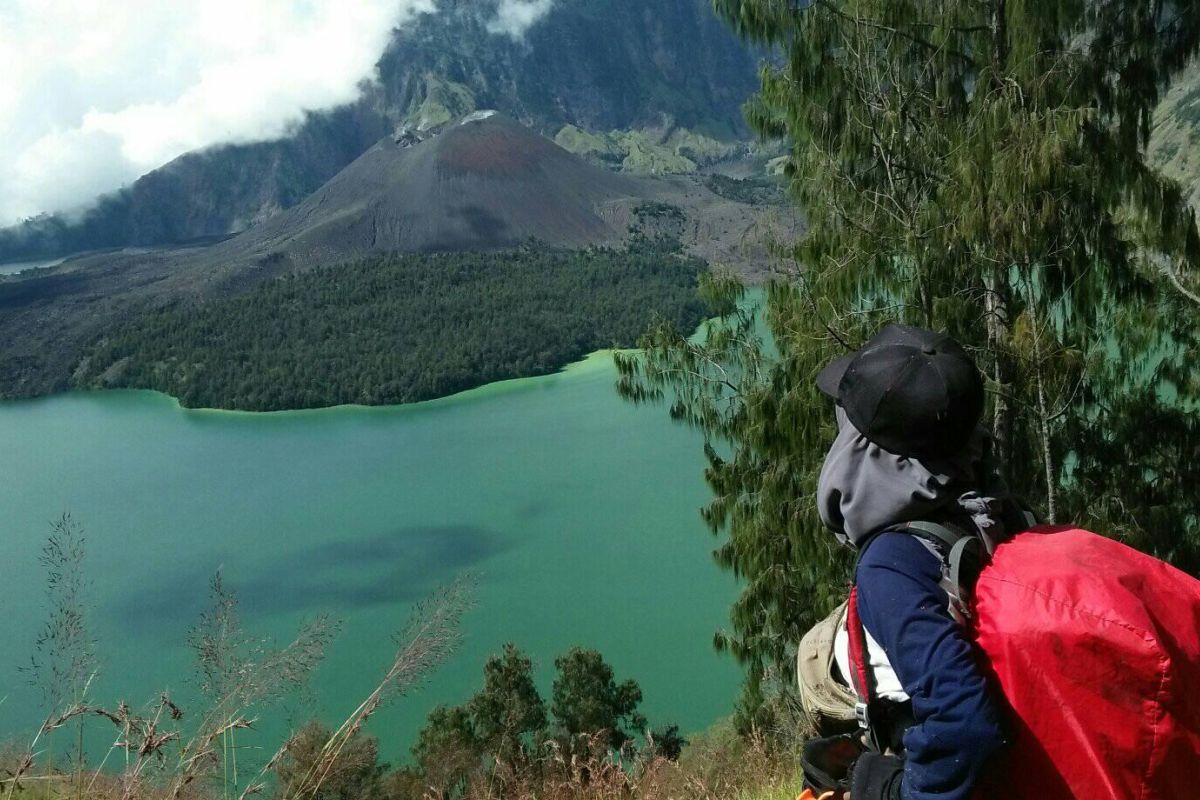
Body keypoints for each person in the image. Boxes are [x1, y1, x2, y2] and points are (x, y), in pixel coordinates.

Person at [812, 323, 1032, 800]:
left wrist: (890, 791)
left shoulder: (890, 563)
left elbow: (964, 724)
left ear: (868, 450)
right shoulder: (992, 507)